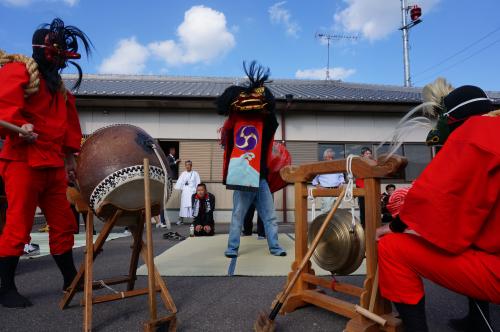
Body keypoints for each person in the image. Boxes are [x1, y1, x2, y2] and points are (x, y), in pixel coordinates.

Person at [376, 79, 499, 332]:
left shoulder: (474, 133)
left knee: (391, 248)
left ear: (449, 118)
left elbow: (434, 196)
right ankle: (477, 321)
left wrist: (396, 226)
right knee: (471, 237)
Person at [0, 18, 92, 308]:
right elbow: (4, 106)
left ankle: (70, 279)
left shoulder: (60, 91)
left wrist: (69, 161)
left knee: (63, 223)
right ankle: (6, 288)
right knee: (18, 224)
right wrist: (18, 126)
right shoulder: (19, 71)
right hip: (22, 161)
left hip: (52, 165)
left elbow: (69, 128)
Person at [217, 61, 286, 258]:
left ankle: (275, 246)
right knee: (238, 215)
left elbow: (273, 120)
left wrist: (262, 94)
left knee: (270, 216)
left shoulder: (265, 124)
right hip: (242, 175)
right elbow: (227, 130)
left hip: (261, 177)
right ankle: (232, 248)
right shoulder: (236, 121)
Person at [311, 148, 345, 215]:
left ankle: (336, 225)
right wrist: (318, 186)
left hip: (337, 190)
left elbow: (341, 176)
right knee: (326, 211)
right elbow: (314, 180)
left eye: (332, 157)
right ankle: (325, 225)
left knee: (338, 211)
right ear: (325, 158)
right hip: (326, 191)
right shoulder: (321, 167)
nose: (330, 159)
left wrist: (342, 183)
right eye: (329, 157)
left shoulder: (337, 166)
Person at [174, 160, 200, 225]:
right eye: (186, 165)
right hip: (185, 192)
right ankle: (181, 219)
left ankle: (195, 220)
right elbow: (180, 183)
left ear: (191, 166)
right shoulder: (183, 174)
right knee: (183, 205)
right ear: (185, 166)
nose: (188, 166)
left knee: (193, 205)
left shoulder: (195, 173)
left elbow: (198, 183)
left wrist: (197, 190)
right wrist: (181, 187)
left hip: (192, 192)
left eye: (189, 165)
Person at [355, 146, 376, 227]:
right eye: (367, 153)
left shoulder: (374, 162)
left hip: (372, 187)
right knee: (363, 208)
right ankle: (364, 225)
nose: (369, 155)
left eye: (370, 153)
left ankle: (373, 225)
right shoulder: (359, 162)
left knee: (372, 208)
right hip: (361, 187)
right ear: (362, 155)